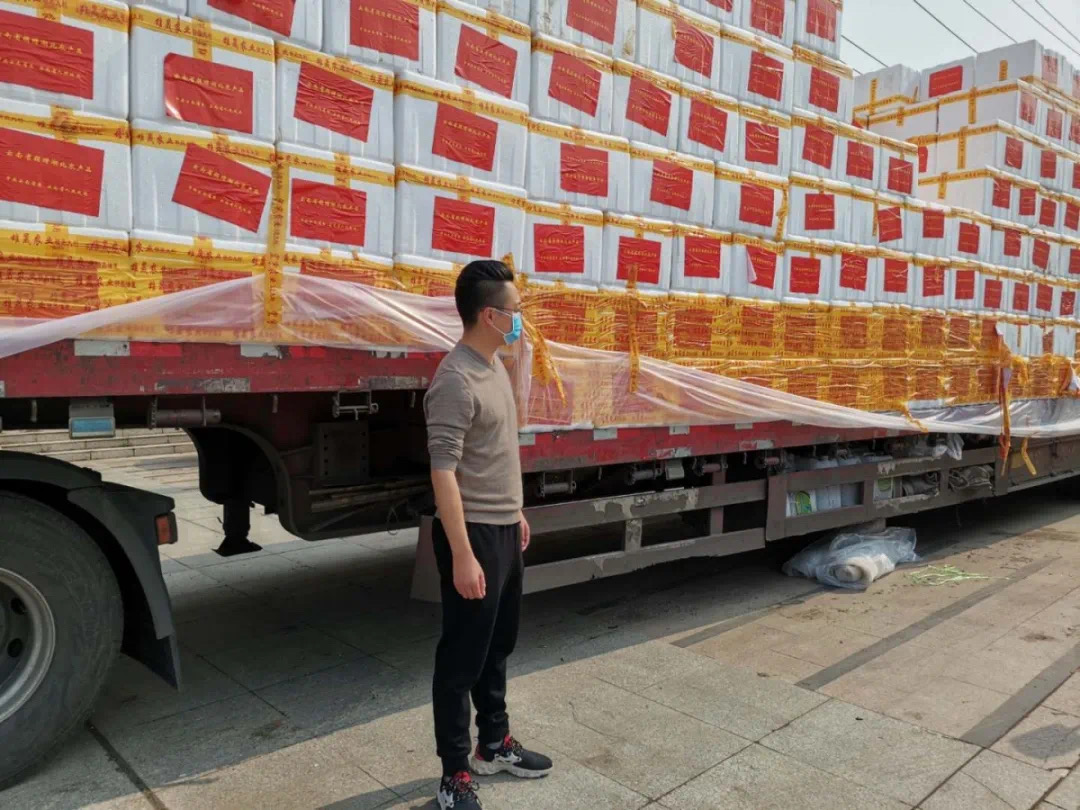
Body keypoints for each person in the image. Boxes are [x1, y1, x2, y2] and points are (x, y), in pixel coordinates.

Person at [424, 260, 553, 810]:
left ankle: (493, 742)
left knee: (498, 645)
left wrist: (515, 511)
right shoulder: (454, 380)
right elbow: (444, 472)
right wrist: (462, 554)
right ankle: (454, 773)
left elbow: (496, 452)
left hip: (503, 528)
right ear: (489, 315)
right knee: (462, 659)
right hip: (472, 535)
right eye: (515, 310)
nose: (521, 318)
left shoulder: (494, 364)